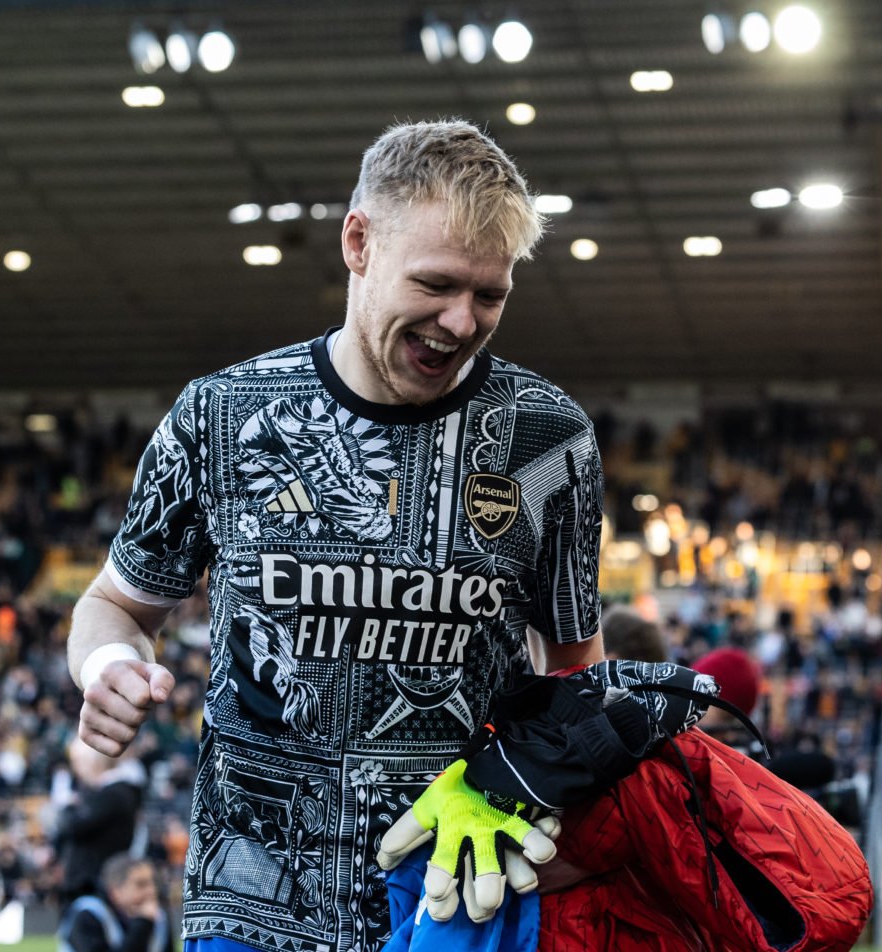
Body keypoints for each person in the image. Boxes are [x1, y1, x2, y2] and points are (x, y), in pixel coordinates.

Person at [68, 120, 605, 951]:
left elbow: (576, 672)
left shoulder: (548, 439)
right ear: (358, 242)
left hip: (454, 902)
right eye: (435, 284)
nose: (461, 322)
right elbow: (116, 605)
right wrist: (106, 667)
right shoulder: (222, 414)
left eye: (490, 295)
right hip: (250, 901)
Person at [54, 740, 147, 905]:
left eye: (78, 762)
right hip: (95, 881)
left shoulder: (112, 794)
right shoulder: (114, 792)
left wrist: (67, 806)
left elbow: (74, 826)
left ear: (94, 762)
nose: (76, 770)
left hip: (94, 883)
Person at [58, 853, 172, 952]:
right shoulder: (89, 914)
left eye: (153, 883)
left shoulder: (158, 917)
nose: (151, 891)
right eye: (141, 884)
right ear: (115, 891)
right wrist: (142, 923)